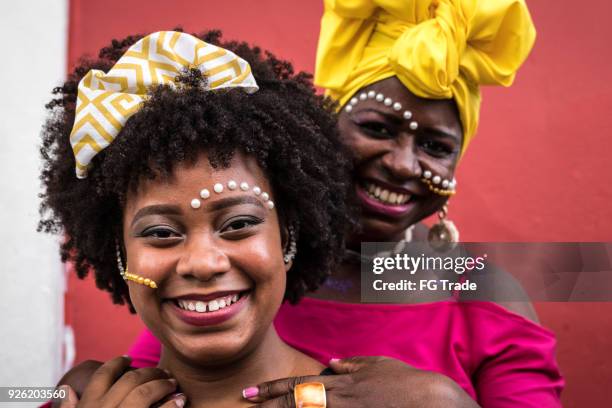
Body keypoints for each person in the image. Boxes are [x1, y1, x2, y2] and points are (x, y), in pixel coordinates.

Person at [126, 2, 564, 407]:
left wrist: (444, 402)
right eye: (376, 128)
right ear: (322, 128)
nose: (402, 164)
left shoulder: (483, 296)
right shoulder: (246, 273)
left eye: (435, 146)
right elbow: (154, 376)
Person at [39, 31, 353, 407]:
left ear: (287, 236)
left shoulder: (374, 402)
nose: (203, 264)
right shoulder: (78, 399)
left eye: (237, 224)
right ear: (119, 253)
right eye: (160, 232)